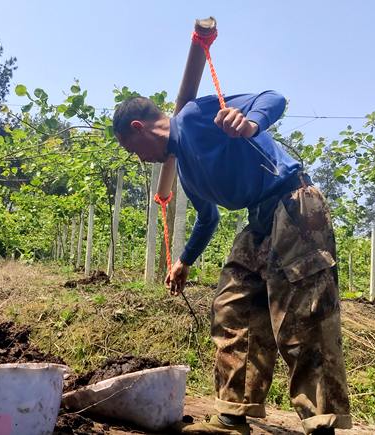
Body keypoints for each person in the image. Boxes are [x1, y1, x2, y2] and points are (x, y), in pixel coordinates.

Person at [112, 92, 351, 435]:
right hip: (260, 218)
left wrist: (250, 122)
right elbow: (207, 218)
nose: (143, 159)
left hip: (294, 202)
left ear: (139, 128)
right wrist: (184, 261)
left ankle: (320, 424)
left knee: (303, 314)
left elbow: (274, 98)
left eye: (134, 150)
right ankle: (232, 417)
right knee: (232, 306)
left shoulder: (194, 116)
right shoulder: (187, 172)